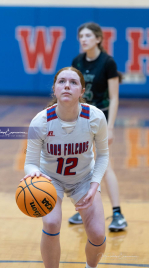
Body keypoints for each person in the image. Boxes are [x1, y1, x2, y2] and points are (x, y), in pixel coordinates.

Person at [23, 66, 109, 268]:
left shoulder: (95, 117)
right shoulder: (41, 121)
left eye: (73, 82)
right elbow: (30, 162)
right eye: (62, 82)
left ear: (82, 90)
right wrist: (33, 173)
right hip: (51, 180)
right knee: (51, 223)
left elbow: (104, 155)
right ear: (54, 89)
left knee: (97, 234)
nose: (67, 86)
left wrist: (94, 185)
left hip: (84, 179)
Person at [68, 22, 127, 232]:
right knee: (83, 166)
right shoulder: (77, 61)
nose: (83, 39)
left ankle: (118, 213)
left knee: (105, 165)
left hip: (102, 119)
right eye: (80, 36)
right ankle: (84, 207)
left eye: (87, 36)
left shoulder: (108, 62)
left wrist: (110, 127)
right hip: (81, 121)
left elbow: (114, 98)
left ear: (98, 39)